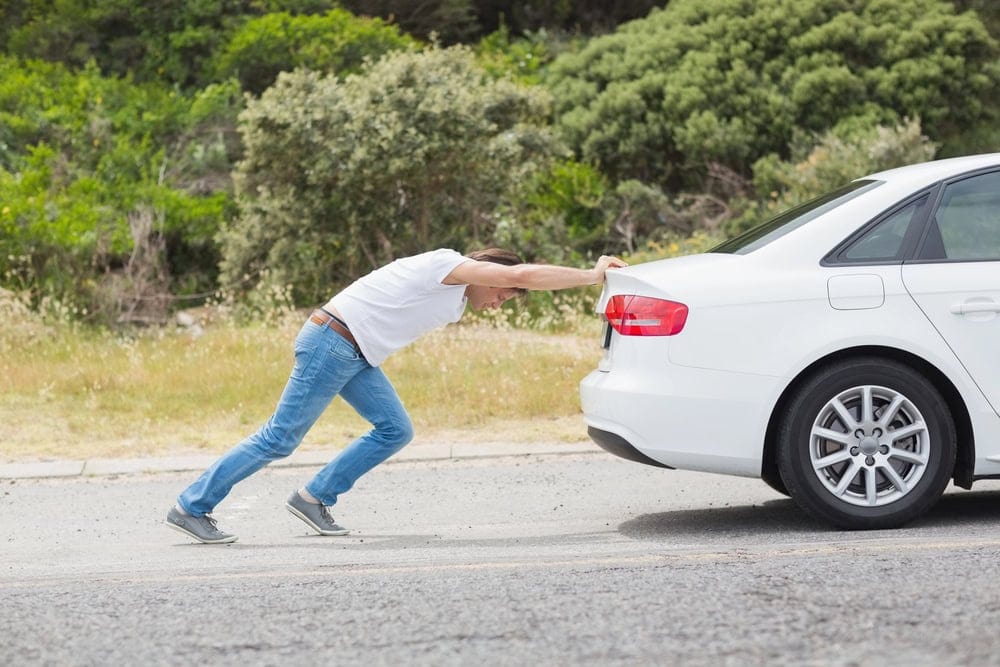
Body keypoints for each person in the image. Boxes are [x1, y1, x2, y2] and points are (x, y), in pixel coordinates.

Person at [166, 248, 627, 543]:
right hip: (334, 342)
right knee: (280, 438)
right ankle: (192, 505)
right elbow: (525, 272)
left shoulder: (456, 293)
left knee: (394, 429)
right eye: (506, 295)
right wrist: (593, 274)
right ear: (493, 274)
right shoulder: (446, 266)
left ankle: (313, 497)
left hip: (353, 351)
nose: (499, 304)